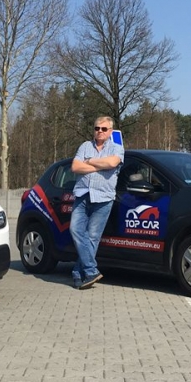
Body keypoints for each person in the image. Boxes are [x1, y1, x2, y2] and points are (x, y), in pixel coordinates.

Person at [69, 116, 124, 289]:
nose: (99, 131)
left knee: (92, 237)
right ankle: (91, 270)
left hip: (103, 198)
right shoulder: (85, 146)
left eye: (104, 129)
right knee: (75, 230)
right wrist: (101, 165)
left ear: (110, 131)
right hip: (82, 195)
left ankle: (78, 273)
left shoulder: (117, 148)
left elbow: (112, 162)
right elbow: (75, 167)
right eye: (97, 128)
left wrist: (90, 161)